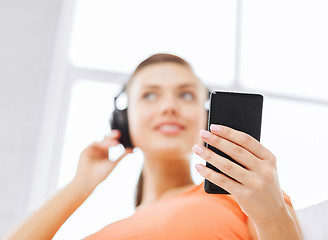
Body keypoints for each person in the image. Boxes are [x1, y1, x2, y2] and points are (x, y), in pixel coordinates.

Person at [5, 53, 302, 240]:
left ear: (206, 115)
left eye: (186, 95)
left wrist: (272, 215)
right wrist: (80, 185)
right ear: (123, 119)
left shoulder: (249, 196)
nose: (169, 107)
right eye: (149, 95)